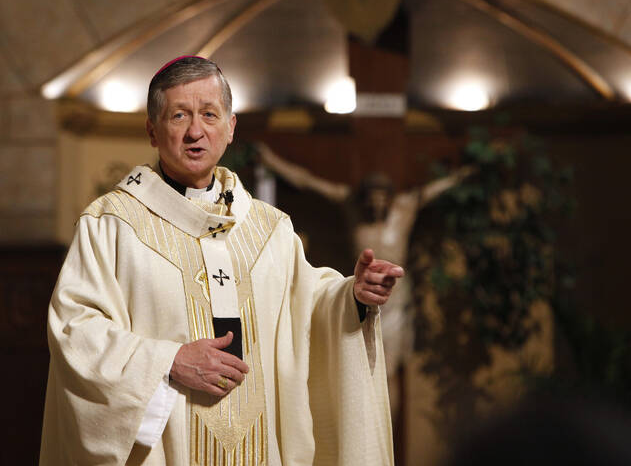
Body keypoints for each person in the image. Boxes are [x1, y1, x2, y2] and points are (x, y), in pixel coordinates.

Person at [40, 56, 403, 466]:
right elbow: (75, 329)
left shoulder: (268, 228)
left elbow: (308, 306)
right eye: (179, 115)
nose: (196, 131)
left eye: (209, 114)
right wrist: (169, 361)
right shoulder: (112, 226)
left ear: (230, 128)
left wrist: (352, 297)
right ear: (152, 131)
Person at [258, 144, 473, 417]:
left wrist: (465, 174)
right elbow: (308, 182)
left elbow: (438, 190)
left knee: (389, 370)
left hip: (396, 300)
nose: (376, 205)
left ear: (390, 198)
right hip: (358, 294)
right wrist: (272, 161)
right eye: (371, 199)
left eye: (382, 198)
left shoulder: (405, 207)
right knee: (357, 367)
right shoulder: (351, 206)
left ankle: (387, 441)